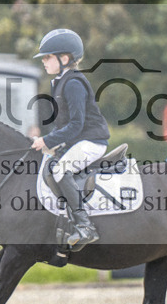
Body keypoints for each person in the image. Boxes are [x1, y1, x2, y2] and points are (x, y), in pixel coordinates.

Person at [30, 29, 111, 251]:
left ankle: (85, 226)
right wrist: (48, 141)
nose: (44, 62)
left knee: (60, 170)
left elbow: (76, 124)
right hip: (79, 140)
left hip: (92, 141)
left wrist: (47, 140)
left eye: (48, 57)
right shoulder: (60, 82)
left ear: (64, 59)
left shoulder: (73, 83)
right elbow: (63, 124)